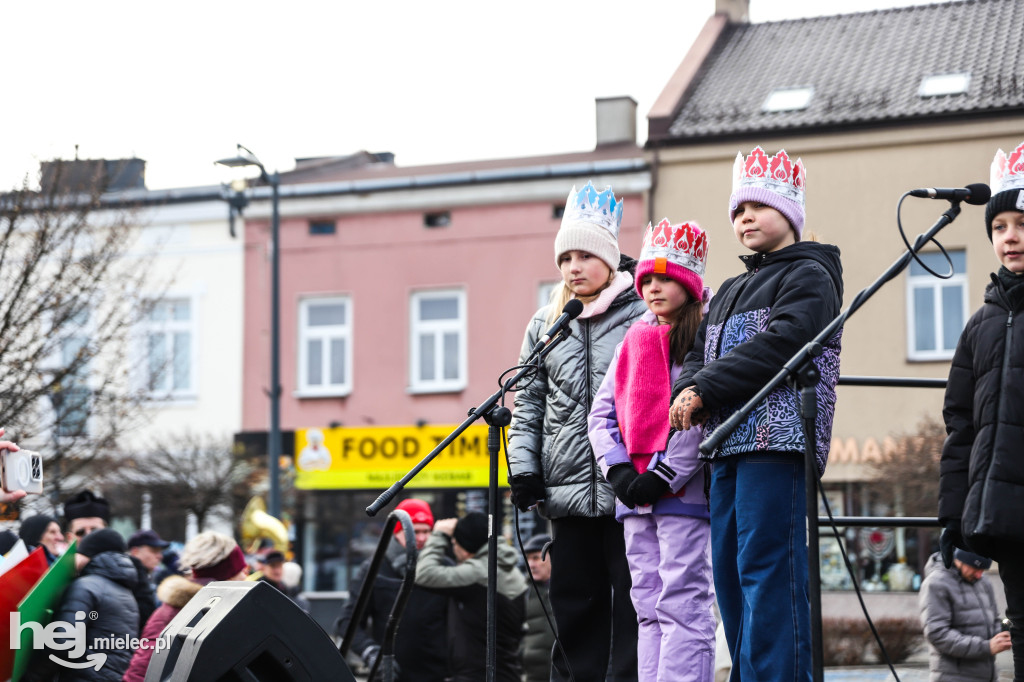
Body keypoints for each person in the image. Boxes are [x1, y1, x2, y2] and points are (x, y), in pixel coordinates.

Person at [671, 147, 843, 681]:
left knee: (769, 574)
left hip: (777, 441)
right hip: (726, 444)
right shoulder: (726, 290)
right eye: (737, 210)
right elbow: (696, 354)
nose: (744, 218)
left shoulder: (812, 275)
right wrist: (687, 387)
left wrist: (703, 387)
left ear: (790, 213)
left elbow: (782, 343)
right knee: (729, 575)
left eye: (757, 207)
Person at [507, 181, 644, 681]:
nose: (574, 267)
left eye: (586, 255)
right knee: (574, 610)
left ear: (609, 258)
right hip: (565, 494)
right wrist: (524, 470)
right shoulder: (546, 323)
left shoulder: (643, 314)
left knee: (633, 605)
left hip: (626, 488)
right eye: (566, 258)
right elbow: (528, 406)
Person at [590, 218, 716, 681]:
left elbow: (695, 417)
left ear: (689, 284)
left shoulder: (700, 340)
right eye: (647, 279)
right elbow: (601, 414)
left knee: (682, 600)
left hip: (680, 496)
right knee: (645, 603)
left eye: (666, 278)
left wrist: (663, 476)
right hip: (634, 498)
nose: (654, 288)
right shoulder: (633, 341)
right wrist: (619, 473)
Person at [940, 139, 1024, 680]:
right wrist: (954, 516)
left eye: (1021, 222)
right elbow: (961, 427)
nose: (1010, 236)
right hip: (1007, 514)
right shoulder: (982, 323)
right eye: (999, 227)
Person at [335, 498, 449, 681]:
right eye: (414, 531)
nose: (420, 538)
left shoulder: (444, 566)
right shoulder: (374, 568)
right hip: (390, 675)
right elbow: (348, 623)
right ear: (396, 532)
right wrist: (371, 653)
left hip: (437, 674)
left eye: (426, 531)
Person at [415, 512, 527, 682]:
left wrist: (439, 535)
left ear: (466, 547)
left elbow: (425, 574)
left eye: (454, 543)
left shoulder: (479, 573)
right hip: (507, 673)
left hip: (478, 676)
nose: (453, 549)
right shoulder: (508, 570)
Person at [124, 530, 250, 682]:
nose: (245, 576)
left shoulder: (221, 610)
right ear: (228, 575)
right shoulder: (177, 611)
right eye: (240, 570)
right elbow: (142, 670)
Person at [26, 529, 142, 681]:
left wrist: (30, 677)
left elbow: (62, 641)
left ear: (89, 555)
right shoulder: (126, 594)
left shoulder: (86, 586)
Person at [919, 548, 1011, 681]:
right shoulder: (936, 583)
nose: (979, 575)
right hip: (953, 677)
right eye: (975, 568)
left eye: (982, 570)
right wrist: (986, 647)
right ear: (960, 560)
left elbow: (993, 622)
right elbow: (938, 634)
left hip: (986, 675)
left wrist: (1006, 635)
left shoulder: (983, 582)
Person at [521, 533, 555, 682]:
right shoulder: (523, 591)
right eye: (528, 559)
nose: (531, 564)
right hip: (532, 676)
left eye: (535, 558)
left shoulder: (569, 589)